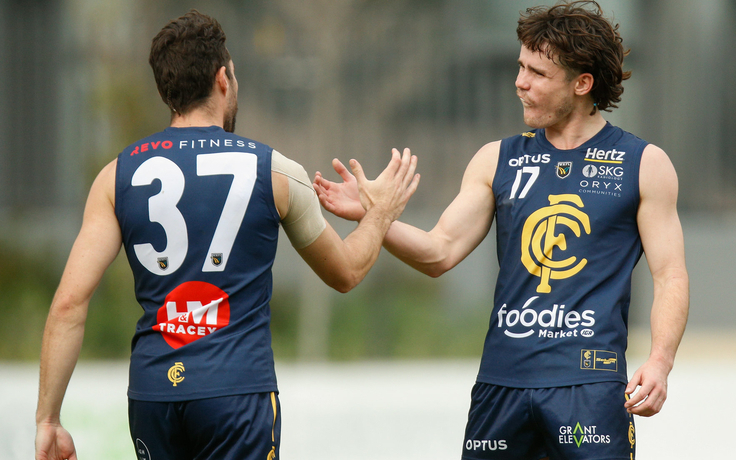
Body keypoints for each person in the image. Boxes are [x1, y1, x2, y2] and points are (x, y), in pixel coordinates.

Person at [35, 9, 419, 460]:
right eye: (233, 75)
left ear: (165, 90)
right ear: (223, 78)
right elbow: (346, 272)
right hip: (235, 394)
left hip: (153, 395)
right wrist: (380, 213)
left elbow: (68, 303)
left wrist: (48, 420)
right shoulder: (276, 171)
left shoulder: (116, 177)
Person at [314, 1, 689, 459]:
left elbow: (671, 275)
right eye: (520, 66)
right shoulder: (497, 158)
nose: (519, 82)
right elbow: (438, 252)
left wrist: (660, 361)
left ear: (582, 83)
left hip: (589, 389)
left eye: (537, 73)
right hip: (501, 388)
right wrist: (373, 217)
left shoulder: (644, 164)